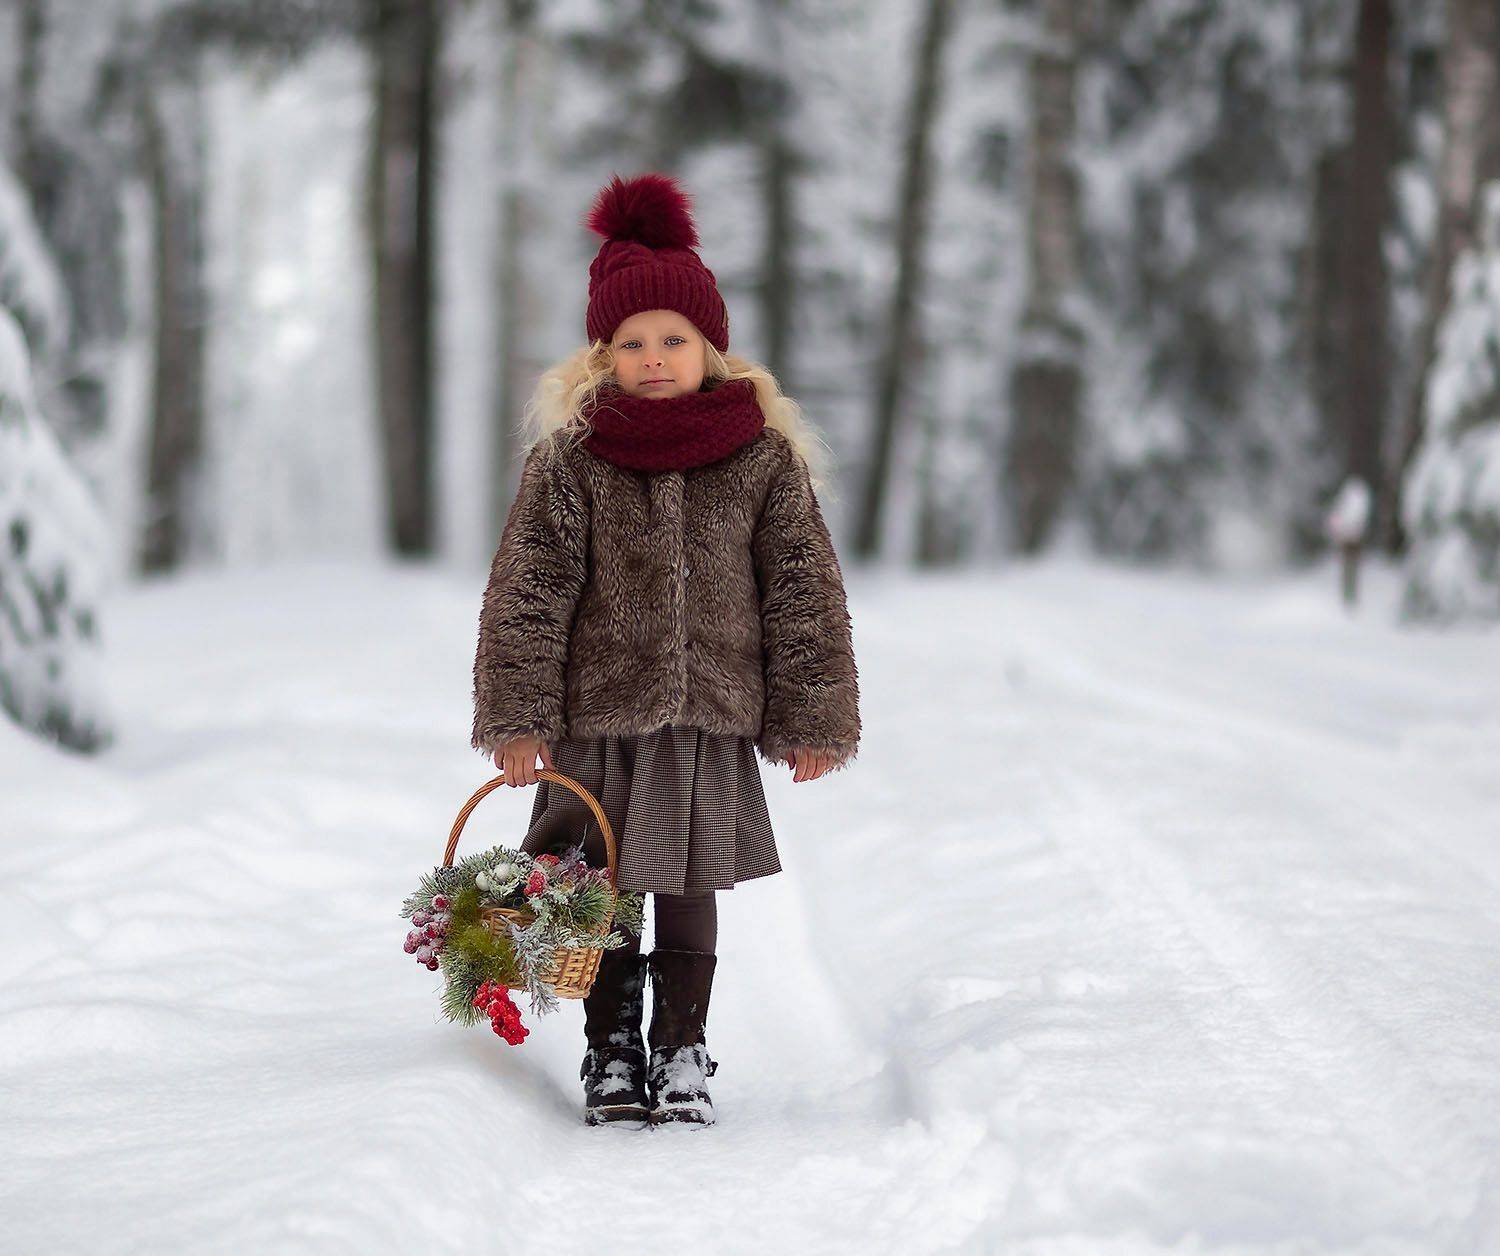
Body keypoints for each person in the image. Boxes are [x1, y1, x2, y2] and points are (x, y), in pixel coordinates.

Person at [470, 171, 861, 1130]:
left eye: (673, 341)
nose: (653, 359)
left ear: (710, 346)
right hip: (594, 715)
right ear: (602, 356)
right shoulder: (573, 458)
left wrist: (811, 715)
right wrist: (519, 716)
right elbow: (530, 591)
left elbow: (804, 590)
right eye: (631, 343)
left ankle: (682, 1051)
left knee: (686, 883)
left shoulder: (759, 455)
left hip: (707, 715)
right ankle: (611, 1054)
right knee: (600, 891)